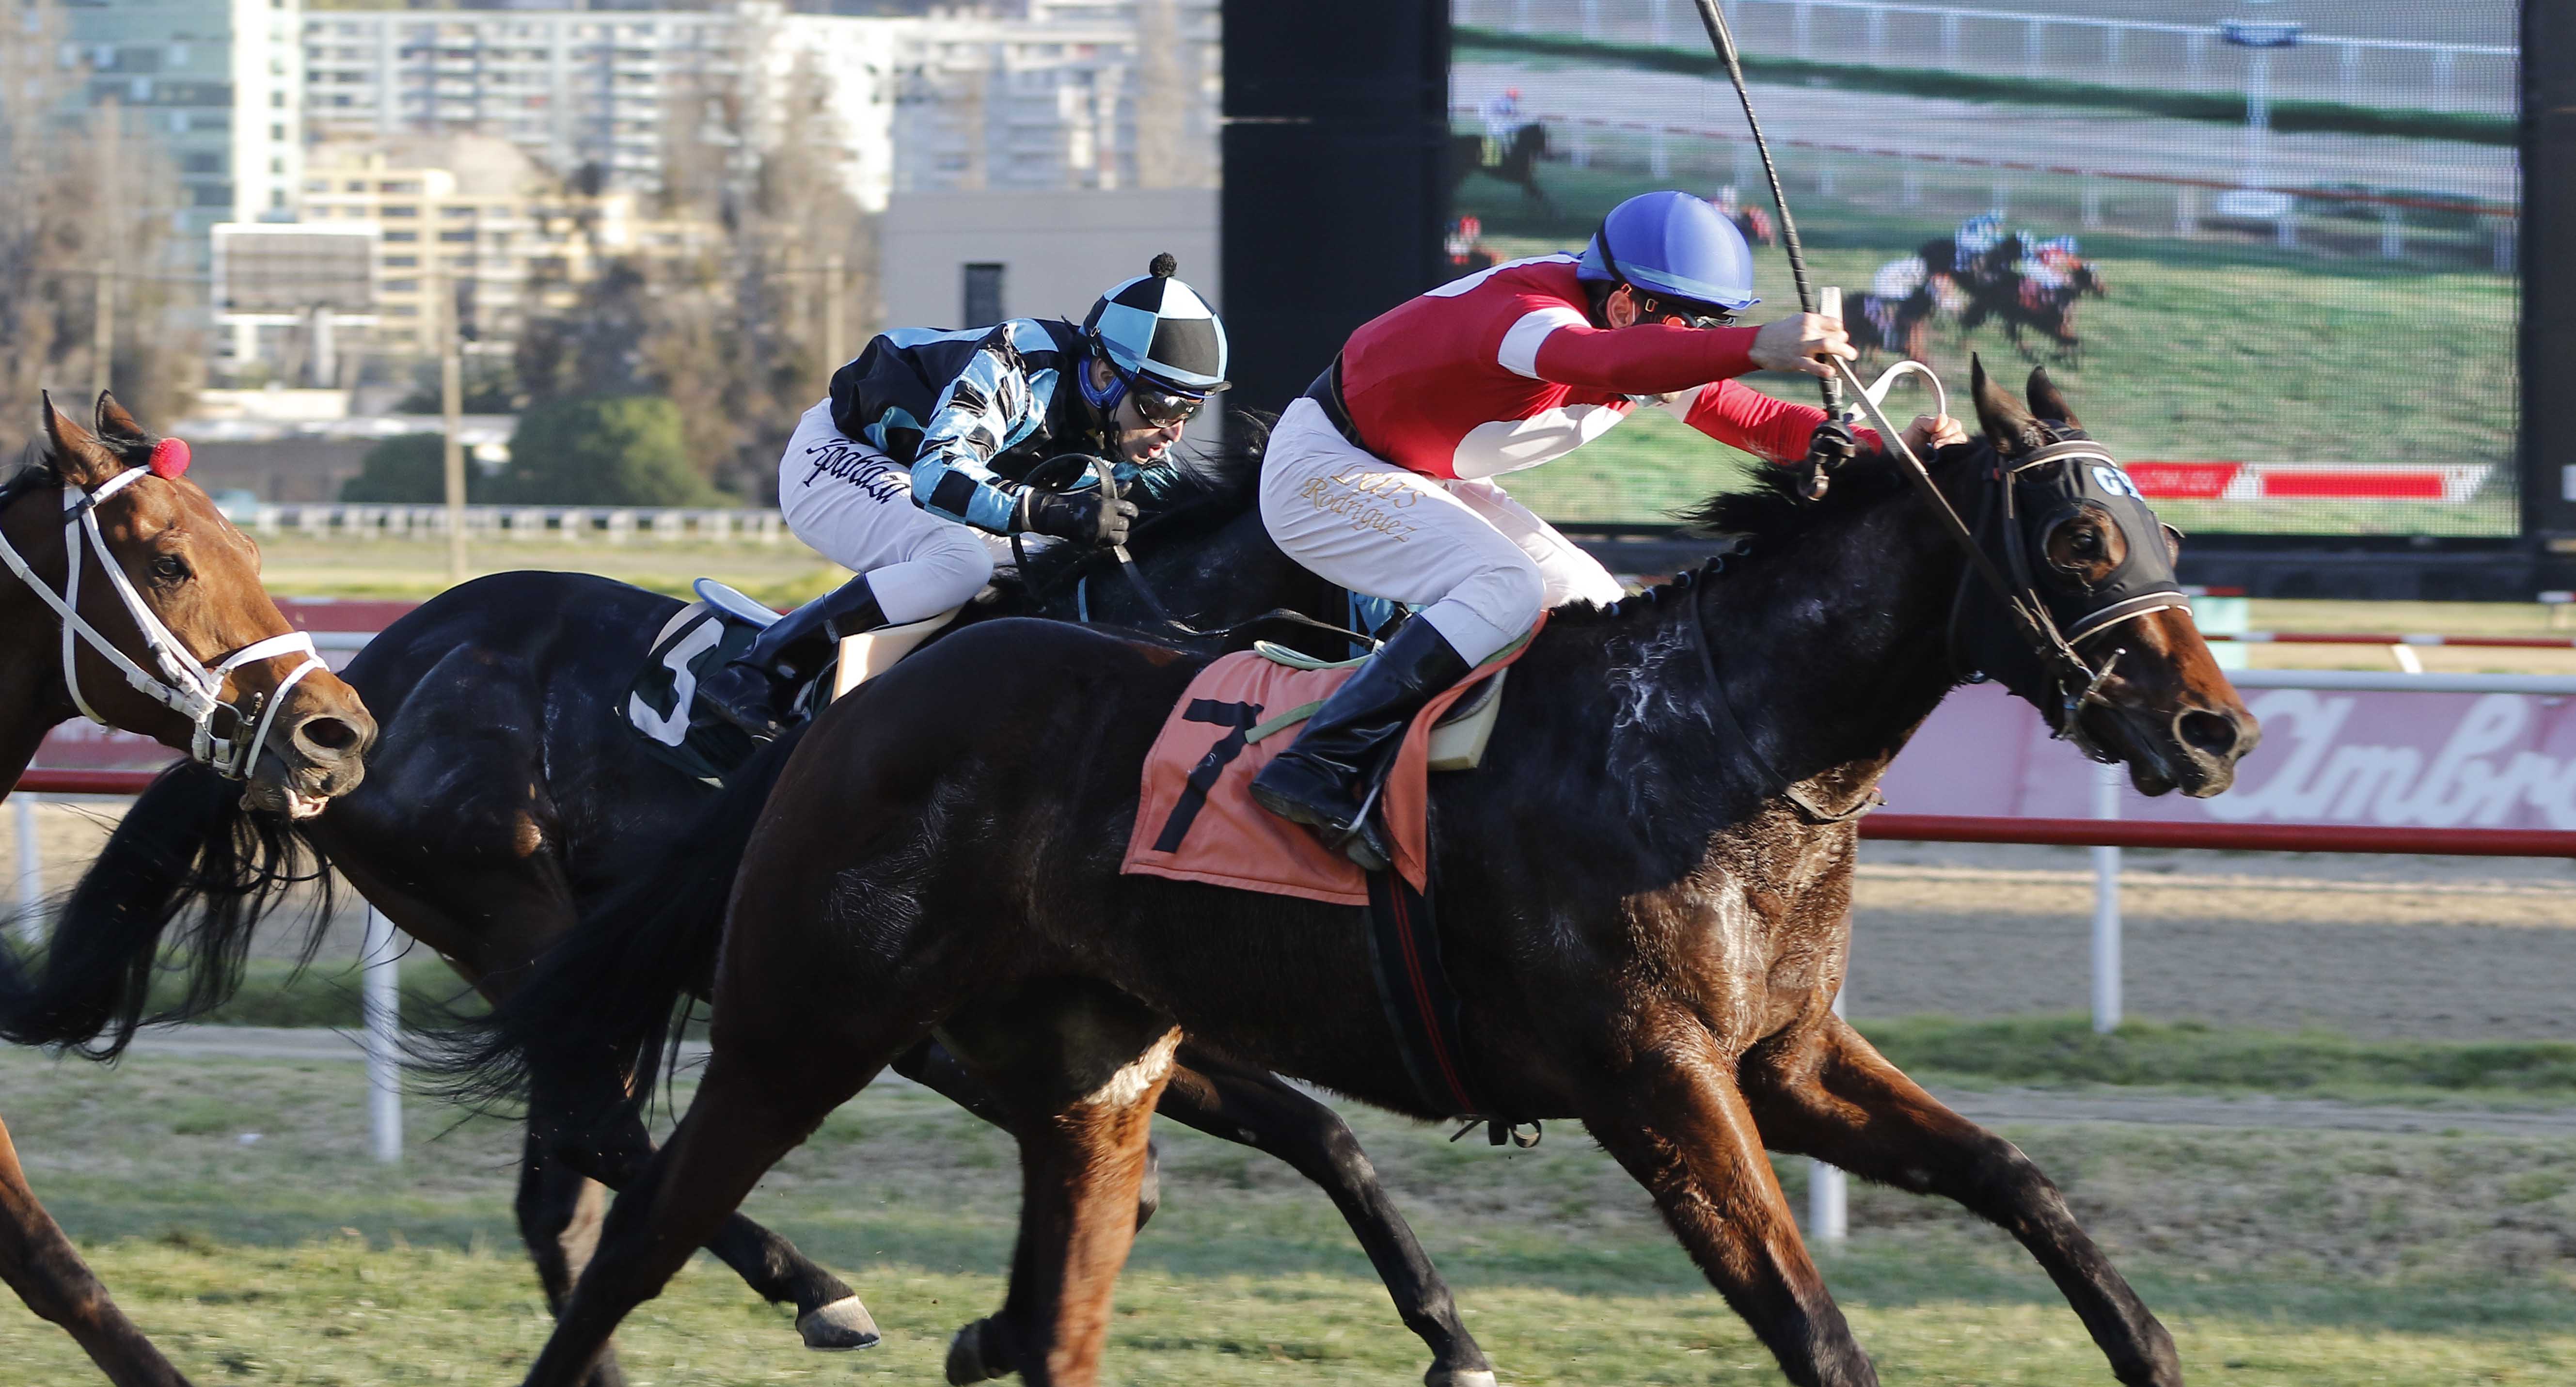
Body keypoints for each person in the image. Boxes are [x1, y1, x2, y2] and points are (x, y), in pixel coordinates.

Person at [1248, 189, 1963, 865]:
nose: (1702, 340)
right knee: (1505, 584)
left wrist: (1886, 449)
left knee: (1598, 611)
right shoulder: (1526, 315)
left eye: (1714, 325)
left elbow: (1751, 416)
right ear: (1623, 302)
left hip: (1423, 475)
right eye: (1692, 323)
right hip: (1325, 468)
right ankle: (1320, 760)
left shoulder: (1630, 325)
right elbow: (1603, 359)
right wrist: (1754, 344)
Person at [700, 254, 1228, 739]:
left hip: (925, 486)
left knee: (1055, 572)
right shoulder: (1019, 361)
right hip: (839, 455)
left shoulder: (1134, 434)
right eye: (1161, 406)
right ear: (1105, 375)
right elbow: (936, 478)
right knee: (961, 564)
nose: (1173, 431)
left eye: (1191, 410)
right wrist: (1052, 511)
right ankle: (763, 668)